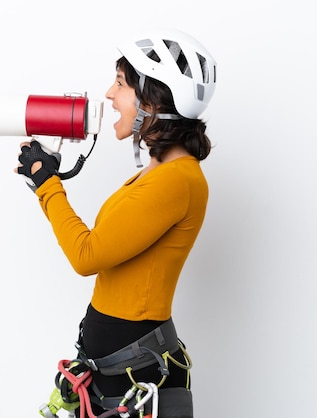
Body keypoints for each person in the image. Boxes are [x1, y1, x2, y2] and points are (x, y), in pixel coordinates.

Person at [15, 28, 217, 418]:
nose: (109, 94)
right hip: (117, 374)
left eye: (121, 84)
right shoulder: (160, 174)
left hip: (138, 379)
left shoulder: (177, 180)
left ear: (153, 101)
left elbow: (86, 255)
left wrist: (48, 186)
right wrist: (47, 183)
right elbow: (103, 247)